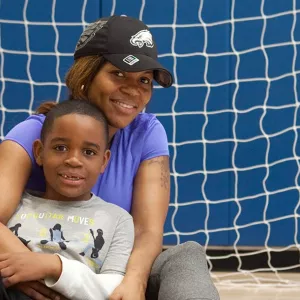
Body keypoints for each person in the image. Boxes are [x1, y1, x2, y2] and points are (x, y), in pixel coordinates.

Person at [0, 15, 219, 300]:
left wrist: (134, 283)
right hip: (32, 265)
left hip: (111, 276)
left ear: (104, 159)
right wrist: (43, 271)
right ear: (85, 75)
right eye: (118, 74)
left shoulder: (147, 133)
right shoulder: (33, 133)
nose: (134, 90)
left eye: (144, 80)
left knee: (185, 256)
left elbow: (147, 230)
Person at [0, 99, 134, 300]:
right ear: (39, 152)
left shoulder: (118, 220)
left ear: (104, 161)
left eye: (89, 152)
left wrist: (54, 266)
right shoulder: (15, 207)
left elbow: (115, 289)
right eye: (60, 148)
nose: (73, 160)